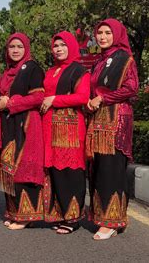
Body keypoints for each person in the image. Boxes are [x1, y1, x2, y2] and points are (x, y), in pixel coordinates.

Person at [86, 18, 138, 240]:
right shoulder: (99, 61)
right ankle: (101, 216)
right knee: (99, 168)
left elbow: (131, 88)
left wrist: (103, 98)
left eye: (107, 32)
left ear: (116, 34)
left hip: (116, 120)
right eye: (99, 32)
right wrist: (90, 101)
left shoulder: (125, 59)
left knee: (112, 168)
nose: (103, 36)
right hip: (98, 120)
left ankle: (112, 221)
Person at [41, 31, 90, 234]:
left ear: (71, 45)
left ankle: (73, 218)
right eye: (55, 46)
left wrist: (54, 100)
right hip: (50, 127)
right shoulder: (51, 70)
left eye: (62, 45)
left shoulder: (79, 70)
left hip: (70, 128)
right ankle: (59, 213)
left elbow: (82, 97)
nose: (59, 49)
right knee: (55, 171)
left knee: (72, 171)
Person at [0, 33, 45, 230]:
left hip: (26, 123)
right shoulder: (8, 71)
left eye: (19, 47)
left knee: (24, 167)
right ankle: (14, 212)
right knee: (9, 167)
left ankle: (27, 215)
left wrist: (11, 103)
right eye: (11, 47)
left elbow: (38, 97)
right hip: (9, 123)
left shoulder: (32, 68)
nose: (15, 50)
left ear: (26, 48)